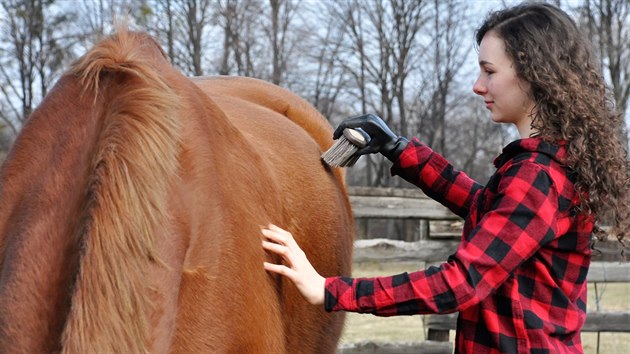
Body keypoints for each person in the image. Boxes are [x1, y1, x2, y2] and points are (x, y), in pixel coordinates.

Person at [261, 3, 630, 353]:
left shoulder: (537, 177)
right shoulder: (547, 166)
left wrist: (329, 290)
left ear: (533, 75)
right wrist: (397, 149)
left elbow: (461, 282)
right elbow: (488, 211)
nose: (477, 85)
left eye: (489, 71)